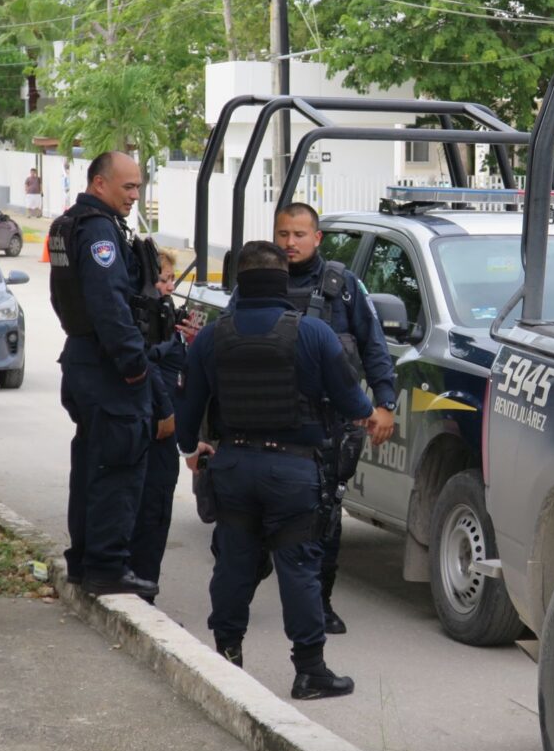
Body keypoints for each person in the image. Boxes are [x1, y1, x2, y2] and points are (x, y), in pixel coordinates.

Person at [176, 240, 380, 699]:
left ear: (240, 282)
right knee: (299, 568)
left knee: (233, 565)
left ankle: (227, 660)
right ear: (283, 282)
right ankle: (310, 671)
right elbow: (353, 402)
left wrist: (192, 447)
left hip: (233, 466)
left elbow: (187, 414)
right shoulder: (314, 334)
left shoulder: (211, 336)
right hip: (293, 471)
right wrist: (365, 410)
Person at [48, 150, 171, 597]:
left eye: (138, 186)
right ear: (99, 183)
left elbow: (64, 299)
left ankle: (85, 562)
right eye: (128, 186)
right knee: (117, 467)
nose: (135, 195)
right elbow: (108, 303)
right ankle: (105, 565)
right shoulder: (99, 230)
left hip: (85, 358)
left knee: (91, 463)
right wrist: (134, 365)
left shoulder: (69, 224)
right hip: (108, 365)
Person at [272, 202, 397, 634]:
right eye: (283, 234)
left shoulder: (343, 287)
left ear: (317, 237)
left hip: (332, 422)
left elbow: (374, 347)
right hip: (272, 418)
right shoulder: (260, 280)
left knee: (326, 513)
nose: (290, 243)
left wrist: (385, 403)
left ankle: (320, 603)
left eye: (299, 234)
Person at [128, 247, 186, 601]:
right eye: (163, 280)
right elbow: (148, 368)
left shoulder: (166, 320)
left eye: (172, 279)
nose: (170, 287)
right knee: (149, 516)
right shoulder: (145, 322)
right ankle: (142, 592)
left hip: (165, 434)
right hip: (153, 432)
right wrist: (165, 412)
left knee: (154, 515)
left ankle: (145, 587)